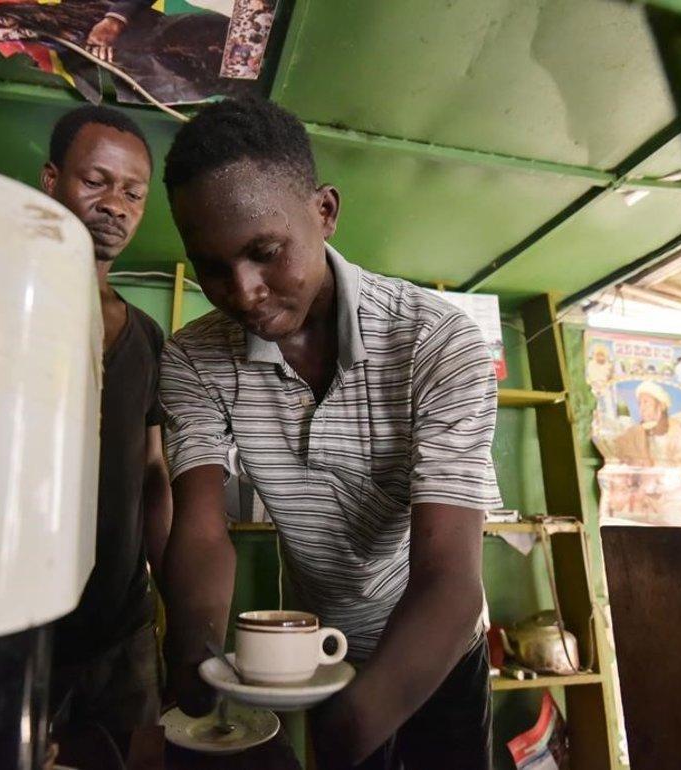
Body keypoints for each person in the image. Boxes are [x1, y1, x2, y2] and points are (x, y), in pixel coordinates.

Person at [157, 98, 500, 769]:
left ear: (325, 211)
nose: (244, 290)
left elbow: (449, 580)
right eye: (213, 267)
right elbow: (200, 529)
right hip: (313, 649)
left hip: (435, 647)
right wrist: (196, 657)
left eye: (265, 252)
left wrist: (343, 734)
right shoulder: (194, 358)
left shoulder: (436, 342)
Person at [40, 105, 172, 762]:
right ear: (52, 179)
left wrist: (161, 595)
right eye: (96, 181)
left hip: (122, 632)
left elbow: (153, 470)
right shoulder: (7, 301)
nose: (114, 204)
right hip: (17, 634)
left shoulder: (147, 337)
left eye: (133, 192)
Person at [613, 381, 681, 466]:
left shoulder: (677, 429)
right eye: (640, 403)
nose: (642, 408)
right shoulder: (635, 432)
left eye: (646, 402)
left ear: (661, 406)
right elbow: (616, 450)